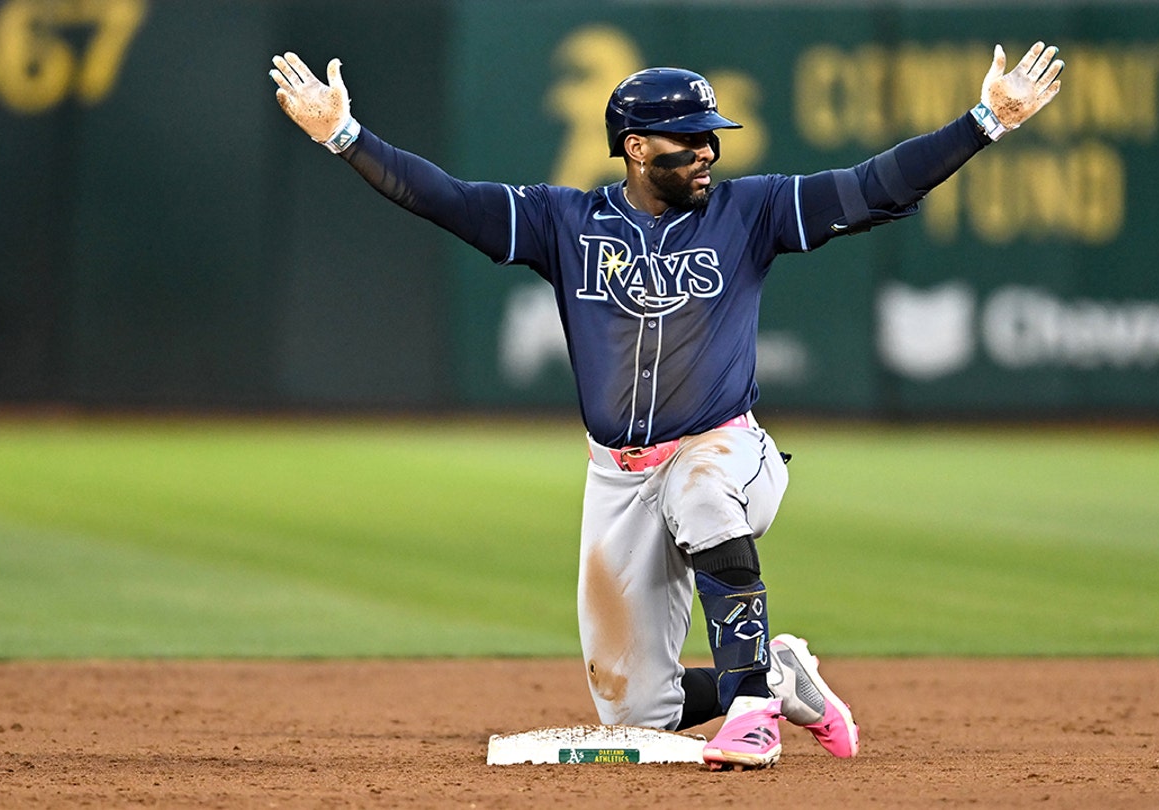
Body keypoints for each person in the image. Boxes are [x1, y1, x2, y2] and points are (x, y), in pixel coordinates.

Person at [270, 42, 1063, 771]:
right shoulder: (565, 223)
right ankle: (779, 677)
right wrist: (345, 135)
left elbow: (871, 186)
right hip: (618, 479)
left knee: (699, 487)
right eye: (690, 138)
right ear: (637, 147)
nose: (710, 150)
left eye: (713, 135)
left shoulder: (746, 213)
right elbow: (445, 198)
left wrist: (986, 120)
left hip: (727, 452)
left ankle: (751, 707)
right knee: (636, 709)